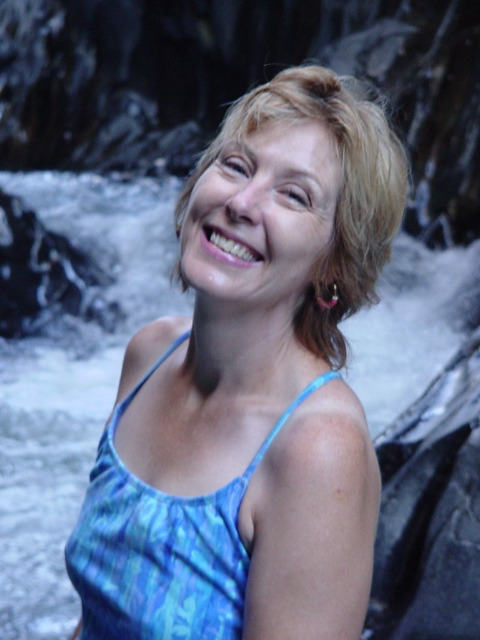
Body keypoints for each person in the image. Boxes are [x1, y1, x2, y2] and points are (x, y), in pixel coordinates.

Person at [65, 64, 408, 639]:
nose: (243, 202)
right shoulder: (150, 355)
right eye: (236, 166)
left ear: (334, 263)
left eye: (293, 195)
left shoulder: (319, 450)